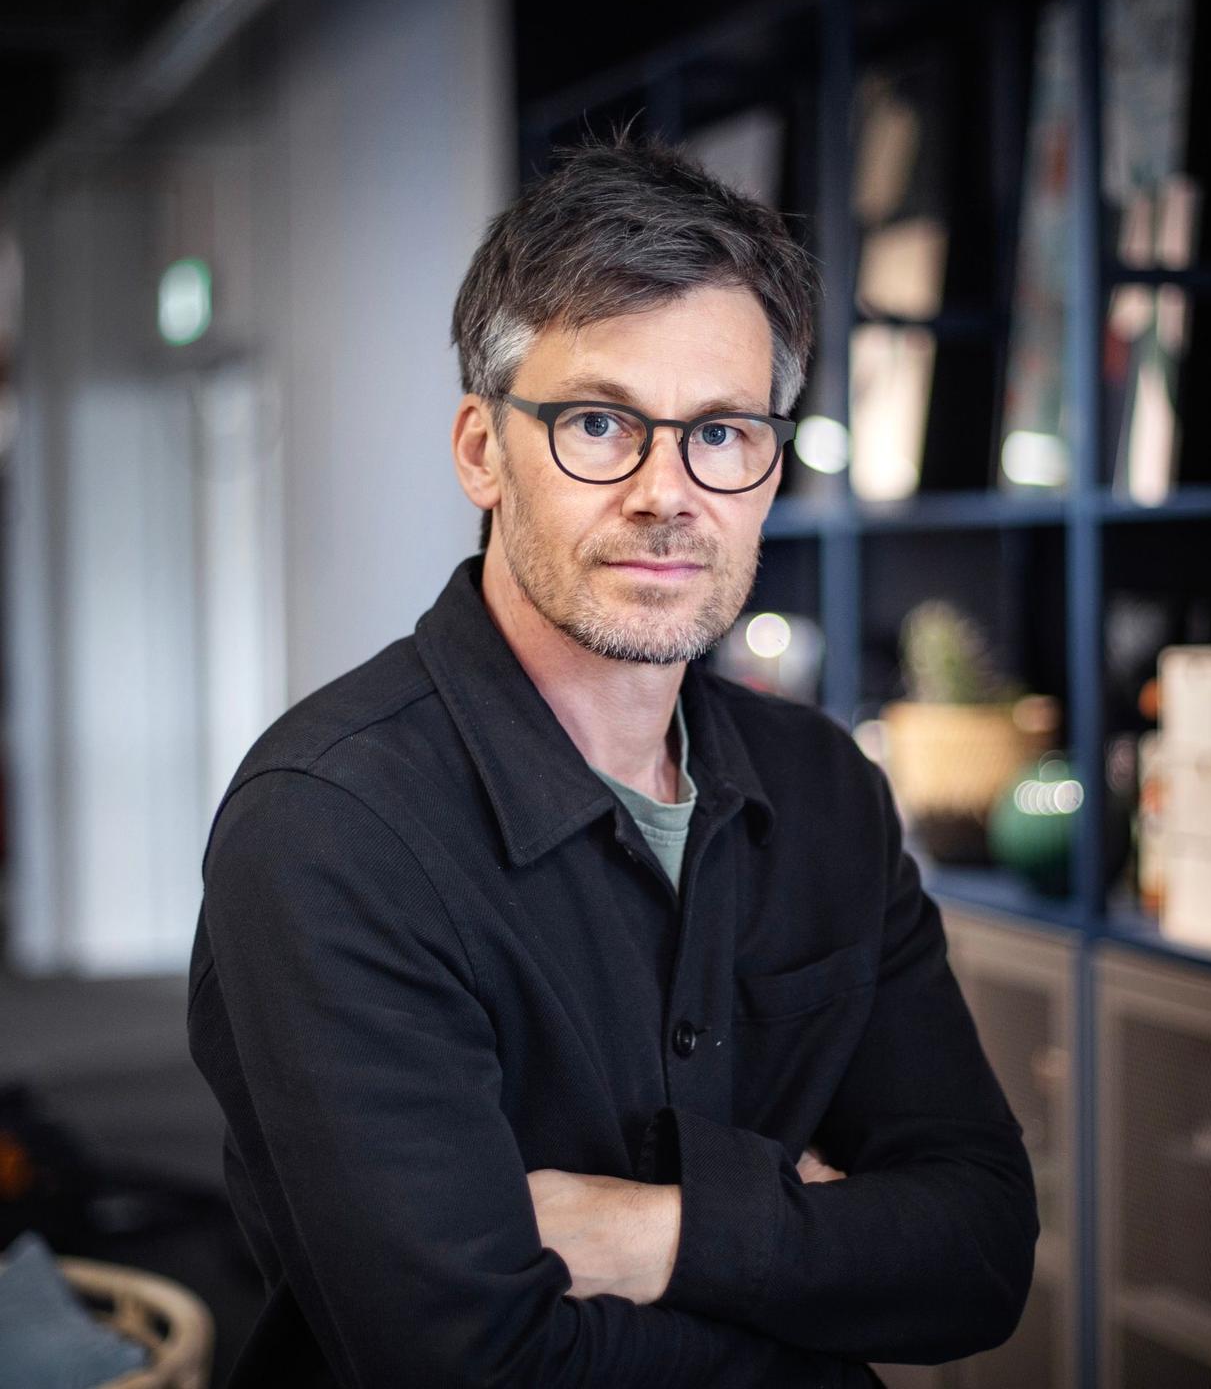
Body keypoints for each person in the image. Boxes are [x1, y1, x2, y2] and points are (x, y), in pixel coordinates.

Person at [188, 128, 1038, 1388]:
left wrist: (657, 1232)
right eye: (598, 422)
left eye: (722, 432)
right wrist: (814, 1255)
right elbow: (468, 1361)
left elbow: (976, 1252)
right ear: (482, 448)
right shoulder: (330, 826)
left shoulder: (822, 792)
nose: (665, 490)